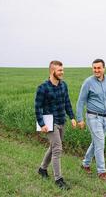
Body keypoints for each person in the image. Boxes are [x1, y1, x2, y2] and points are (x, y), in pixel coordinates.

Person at [76, 58, 106, 181]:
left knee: (96, 142)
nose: (96, 70)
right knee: (100, 143)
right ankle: (102, 171)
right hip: (93, 117)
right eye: (94, 68)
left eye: (98, 68)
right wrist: (80, 119)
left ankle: (85, 163)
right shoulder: (88, 82)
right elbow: (81, 101)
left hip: (105, 118)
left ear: (103, 68)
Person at [35, 60, 77, 190]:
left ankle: (42, 169)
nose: (62, 72)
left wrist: (72, 117)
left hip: (61, 120)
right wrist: (41, 124)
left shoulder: (63, 85)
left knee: (53, 147)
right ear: (52, 71)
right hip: (50, 123)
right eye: (59, 70)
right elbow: (37, 108)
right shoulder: (43, 87)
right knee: (58, 149)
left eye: (62, 70)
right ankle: (58, 179)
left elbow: (67, 102)